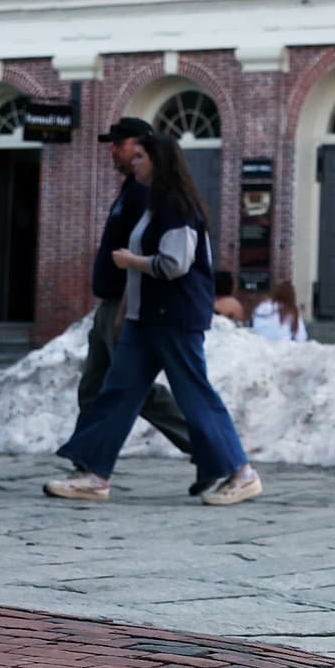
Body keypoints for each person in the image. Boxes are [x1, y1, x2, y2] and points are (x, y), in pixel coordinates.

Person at [45, 135, 262, 507]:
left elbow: (174, 264)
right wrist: (128, 310)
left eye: (142, 157)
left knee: (195, 394)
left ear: (160, 163)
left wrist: (131, 261)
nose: (135, 163)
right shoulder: (154, 205)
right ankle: (95, 474)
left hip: (174, 317)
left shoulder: (177, 207)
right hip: (144, 319)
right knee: (118, 392)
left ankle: (241, 473)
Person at [78, 119, 195, 463]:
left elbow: (155, 256)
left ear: (144, 147)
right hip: (107, 305)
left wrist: (126, 308)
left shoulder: (146, 193)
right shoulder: (130, 189)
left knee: (134, 388)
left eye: (119, 144)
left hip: (125, 305)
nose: (112, 150)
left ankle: (207, 444)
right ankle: (85, 459)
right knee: (93, 387)